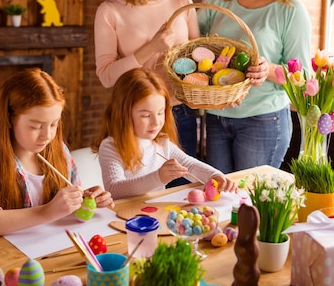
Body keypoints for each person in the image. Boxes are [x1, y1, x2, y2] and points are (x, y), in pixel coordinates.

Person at [198, 0, 312, 173]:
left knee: (251, 203)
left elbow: (303, 77)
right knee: (222, 202)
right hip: (217, 117)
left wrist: (268, 69)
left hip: (263, 121)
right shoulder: (220, 3)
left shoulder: (289, 10)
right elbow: (193, 46)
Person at [0, 68, 113, 242]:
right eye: (36, 126)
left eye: (54, 124)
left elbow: (73, 212)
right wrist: (46, 211)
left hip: (54, 250)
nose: (47, 136)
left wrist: (83, 200)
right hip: (9, 259)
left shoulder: (59, 151)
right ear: (9, 119)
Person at [94, 0, 200, 164]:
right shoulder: (110, 11)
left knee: (182, 192)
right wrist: (151, 48)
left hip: (179, 114)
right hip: (135, 118)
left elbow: (201, 63)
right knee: (141, 196)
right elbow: (107, 76)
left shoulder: (181, 0)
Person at [94, 68, 238, 200]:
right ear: (123, 114)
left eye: (161, 112)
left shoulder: (161, 142)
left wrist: (215, 175)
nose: (156, 122)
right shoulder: (111, 147)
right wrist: (158, 177)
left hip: (155, 212)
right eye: (145, 115)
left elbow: (189, 165)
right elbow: (114, 189)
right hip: (124, 217)